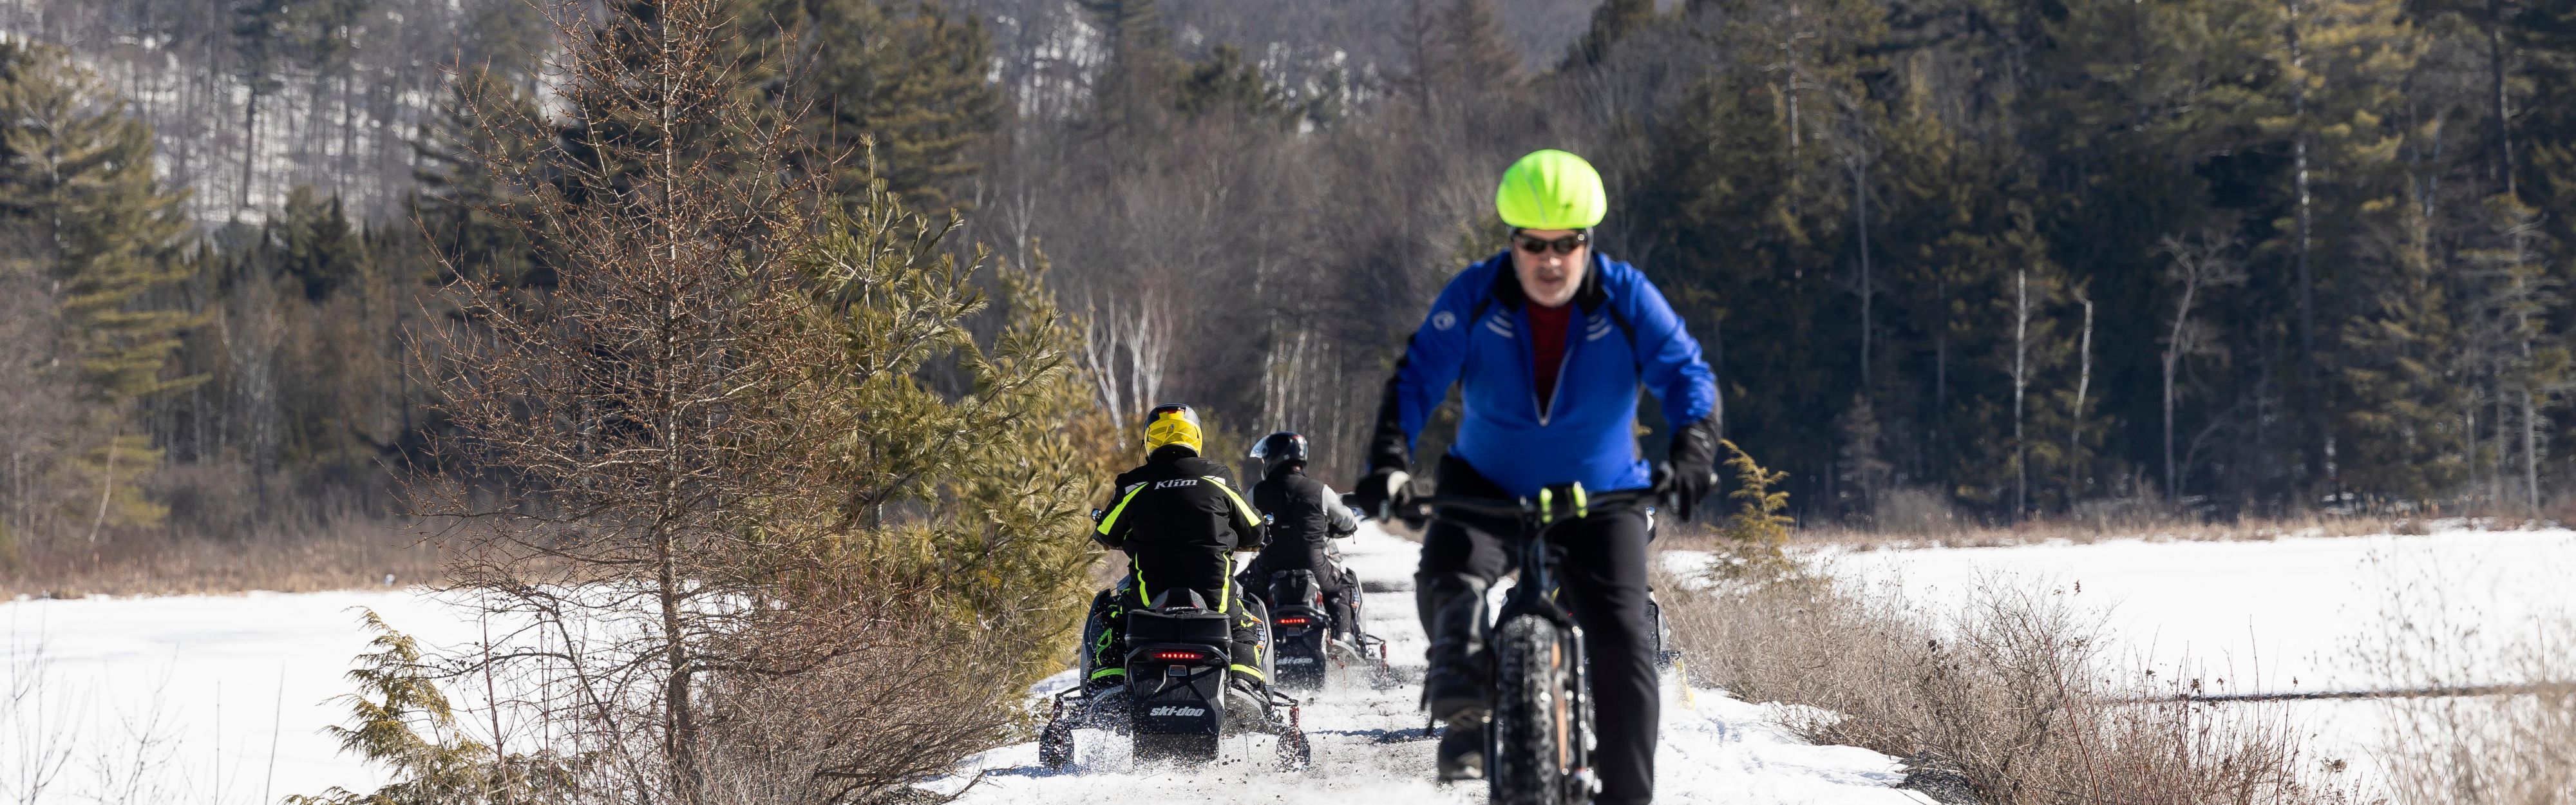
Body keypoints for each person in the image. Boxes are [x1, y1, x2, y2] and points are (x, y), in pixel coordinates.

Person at [1349, 149, 1720, 804]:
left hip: (1603, 496)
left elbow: (1687, 376)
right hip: (1486, 486)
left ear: (1588, 242)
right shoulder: (1475, 292)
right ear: (1512, 243)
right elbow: (1415, 379)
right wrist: (1387, 461)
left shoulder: (1626, 295)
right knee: (1447, 575)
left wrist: (1692, 450)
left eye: (1566, 244)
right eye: (1533, 244)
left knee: (1625, 638)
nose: (1550, 261)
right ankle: (1468, 703)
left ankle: (1628, 795)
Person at [1086, 403, 1274, 696]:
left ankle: (1108, 683)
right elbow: (1255, 528)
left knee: (1111, 614)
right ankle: (1245, 685)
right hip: (1213, 595)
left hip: (1149, 597)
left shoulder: (1133, 483)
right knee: (1243, 623)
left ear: (1150, 440)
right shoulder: (1219, 477)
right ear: (1195, 437)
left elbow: (1106, 531)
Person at [1241, 431, 1364, 644]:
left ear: (1275, 458)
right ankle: (1343, 636)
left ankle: (1248, 640)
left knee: (1243, 590)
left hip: (1269, 568)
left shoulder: (1256, 492)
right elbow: (1347, 522)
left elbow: (1244, 525)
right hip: (1315, 567)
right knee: (1343, 586)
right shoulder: (1321, 490)